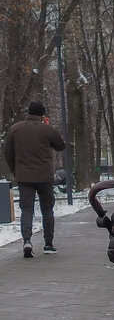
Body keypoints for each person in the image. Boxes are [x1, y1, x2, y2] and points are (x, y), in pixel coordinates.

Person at [3, 101, 66, 257]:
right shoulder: (47, 129)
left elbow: (8, 153)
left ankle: (27, 241)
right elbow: (60, 146)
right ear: (42, 115)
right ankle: (48, 244)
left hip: (24, 177)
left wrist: (15, 170)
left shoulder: (15, 129)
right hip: (44, 176)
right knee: (47, 210)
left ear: (28, 112)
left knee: (27, 210)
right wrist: (47, 127)